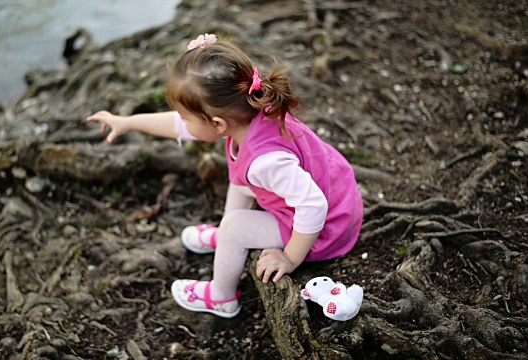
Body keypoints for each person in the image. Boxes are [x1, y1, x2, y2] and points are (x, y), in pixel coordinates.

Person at [86, 33, 363, 318]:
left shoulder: (265, 161)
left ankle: (221, 296)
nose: (181, 121)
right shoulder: (251, 108)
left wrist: (290, 258)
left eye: (186, 117)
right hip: (330, 189)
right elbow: (177, 125)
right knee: (240, 184)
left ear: (218, 124)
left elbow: (314, 206)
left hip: (327, 227)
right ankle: (225, 238)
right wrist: (128, 122)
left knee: (235, 226)